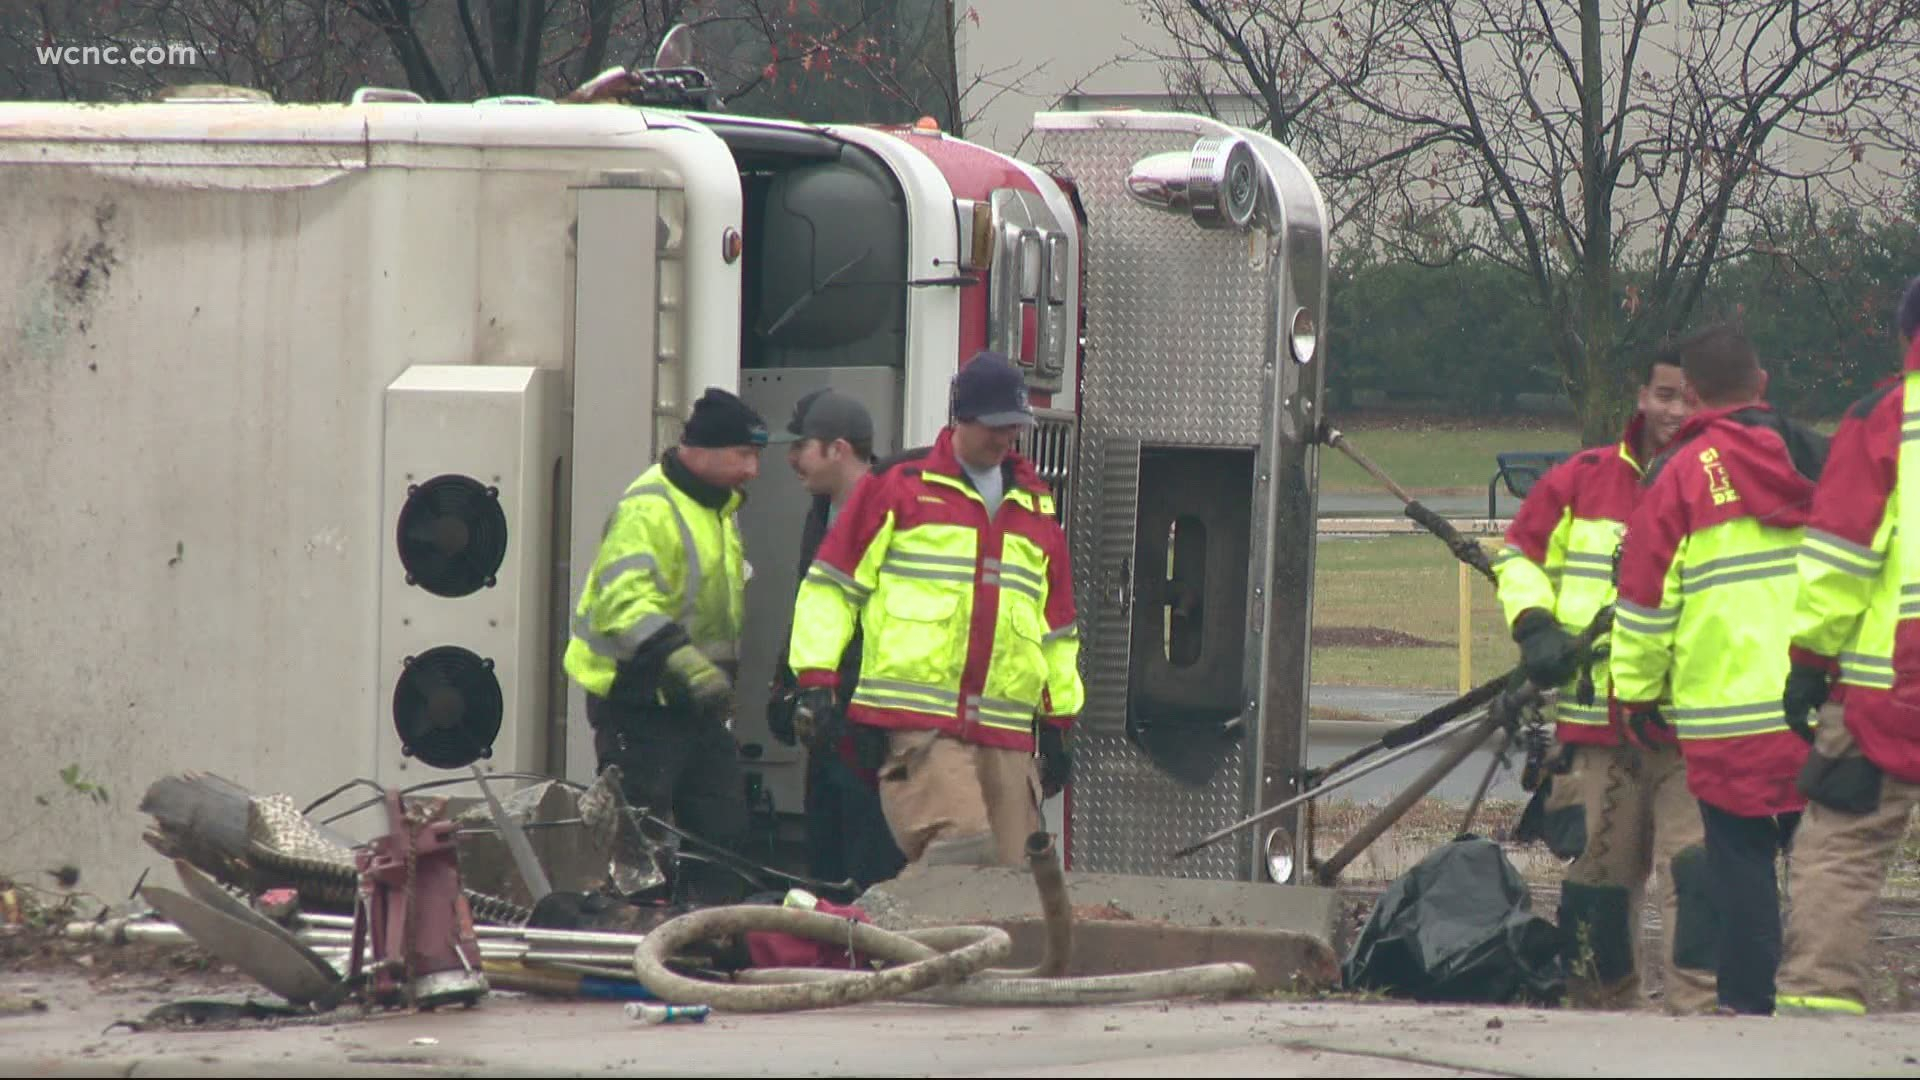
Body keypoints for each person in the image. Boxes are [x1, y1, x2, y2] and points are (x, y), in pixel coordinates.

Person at [784, 351, 1084, 867]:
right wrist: (815, 680)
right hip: (919, 726)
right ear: (961, 418)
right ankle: (904, 942)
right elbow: (832, 587)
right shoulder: (899, 490)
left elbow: (1056, 629)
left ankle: (940, 944)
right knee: (964, 852)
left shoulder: (1036, 507)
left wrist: (1057, 722)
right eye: (994, 425)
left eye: (1014, 425)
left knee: (1023, 876)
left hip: (1005, 733)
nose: (1006, 437)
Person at [1610, 321, 1827, 1016]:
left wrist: (1638, 697)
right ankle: (1825, 1004)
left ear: (1694, 395)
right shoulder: (1818, 456)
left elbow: (1644, 605)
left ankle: (1751, 1015)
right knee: (1828, 870)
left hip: (1724, 726)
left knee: (1741, 875)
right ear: (1762, 385)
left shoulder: (1677, 477)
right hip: (1821, 707)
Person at [1492, 348, 1710, 1012]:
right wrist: (1534, 625)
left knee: (1696, 882)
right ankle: (1598, 1014)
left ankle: (1701, 1019)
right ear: (1642, 395)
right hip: (1597, 728)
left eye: (1691, 399)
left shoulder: (1719, 485)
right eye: (1667, 394)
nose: (1676, 410)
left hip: (1688, 728)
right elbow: (1520, 555)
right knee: (1598, 891)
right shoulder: (1580, 479)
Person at [1775, 276, 1920, 1016]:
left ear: (1905, 336)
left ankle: (1820, 1027)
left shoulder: (1888, 419)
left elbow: (1838, 563)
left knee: (1841, 853)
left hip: (1888, 691)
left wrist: (1808, 663)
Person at [562, 387, 768, 904]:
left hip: (691, 710)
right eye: (744, 455)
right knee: (637, 844)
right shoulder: (650, 509)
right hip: (639, 706)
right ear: (703, 450)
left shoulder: (716, 509)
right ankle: (630, 946)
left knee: (722, 835)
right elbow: (622, 603)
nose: (753, 471)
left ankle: (706, 937)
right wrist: (684, 664)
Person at [766, 388, 909, 889]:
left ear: (838, 449)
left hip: (872, 724)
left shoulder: (892, 515)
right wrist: (789, 681)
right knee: (825, 861)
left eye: (801, 446)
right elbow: (813, 606)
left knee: (872, 865)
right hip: (830, 722)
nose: (790, 460)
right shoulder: (821, 515)